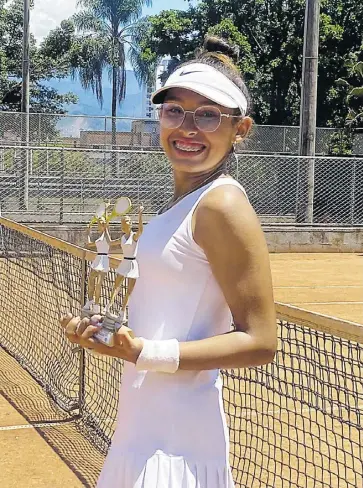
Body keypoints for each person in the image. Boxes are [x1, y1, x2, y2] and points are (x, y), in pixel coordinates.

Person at [61, 35, 277, 488]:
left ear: (241, 129)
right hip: (141, 430)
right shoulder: (180, 207)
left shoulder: (222, 206)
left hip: (177, 445)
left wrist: (142, 352)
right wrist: (105, 330)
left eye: (208, 115)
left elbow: (260, 341)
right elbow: (165, 313)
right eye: (175, 110)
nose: (188, 127)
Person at [105, 205, 144, 325]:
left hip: (132, 264)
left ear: (130, 223)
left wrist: (140, 215)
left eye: (126, 221)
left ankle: (122, 312)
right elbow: (110, 242)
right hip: (124, 263)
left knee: (129, 291)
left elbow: (141, 230)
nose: (124, 224)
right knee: (116, 286)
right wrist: (106, 228)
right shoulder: (122, 238)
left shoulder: (134, 236)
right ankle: (108, 307)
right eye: (122, 222)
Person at [82, 217, 111, 315]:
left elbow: (109, 241)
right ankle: (90, 300)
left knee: (99, 284)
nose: (98, 226)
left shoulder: (106, 235)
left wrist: (106, 227)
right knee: (91, 280)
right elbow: (89, 244)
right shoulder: (99, 237)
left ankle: (97, 306)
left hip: (104, 260)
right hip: (98, 259)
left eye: (99, 224)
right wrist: (88, 233)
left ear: (103, 225)